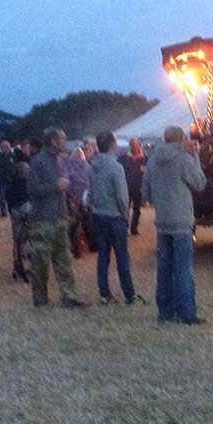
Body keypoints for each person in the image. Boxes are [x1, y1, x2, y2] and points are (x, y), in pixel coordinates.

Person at [142, 125, 207, 324]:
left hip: (162, 221)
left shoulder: (153, 159)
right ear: (180, 138)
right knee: (183, 269)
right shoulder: (183, 159)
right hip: (181, 221)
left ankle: (165, 312)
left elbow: (146, 192)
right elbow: (200, 183)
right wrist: (195, 156)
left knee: (164, 269)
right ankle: (186, 313)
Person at [26, 127, 85, 308]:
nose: (65, 142)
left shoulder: (60, 161)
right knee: (40, 264)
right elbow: (33, 190)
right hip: (43, 221)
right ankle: (41, 301)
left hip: (60, 218)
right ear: (53, 141)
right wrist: (55, 186)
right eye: (62, 139)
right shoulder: (37, 162)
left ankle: (69, 297)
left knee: (64, 261)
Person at [90, 130, 145, 306]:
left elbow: (90, 193)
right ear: (112, 145)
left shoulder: (92, 166)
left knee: (103, 257)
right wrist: (125, 216)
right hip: (114, 217)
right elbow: (123, 197)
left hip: (98, 215)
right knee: (122, 257)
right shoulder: (116, 167)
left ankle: (104, 294)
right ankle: (129, 294)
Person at [5, 161, 31, 283]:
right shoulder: (28, 183)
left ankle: (17, 266)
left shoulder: (10, 184)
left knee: (17, 240)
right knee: (29, 239)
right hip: (26, 210)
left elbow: (7, 199)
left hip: (15, 212)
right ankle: (28, 266)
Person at [119, 137, 148, 235]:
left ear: (139, 145)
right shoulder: (124, 157)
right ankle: (125, 228)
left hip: (138, 187)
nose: (135, 147)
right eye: (133, 145)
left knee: (137, 209)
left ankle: (134, 228)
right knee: (125, 208)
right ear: (130, 145)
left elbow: (147, 170)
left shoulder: (144, 157)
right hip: (126, 186)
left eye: (137, 145)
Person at [66, 147, 92, 258]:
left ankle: (71, 245)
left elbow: (66, 183)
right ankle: (92, 244)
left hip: (72, 199)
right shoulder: (87, 166)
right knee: (88, 221)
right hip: (84, 198)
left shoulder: (68, 167)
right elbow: (90, 182)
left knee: (72, 223)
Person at [0, 139, 15, 217]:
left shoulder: (14, 156)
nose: (6, 148)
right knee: (2, 197)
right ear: (1, 148)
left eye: (7, 146)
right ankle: (3, 212)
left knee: (13, 196)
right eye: (4, 147)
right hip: (2, 180)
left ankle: (12, 210)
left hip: (12, 180)